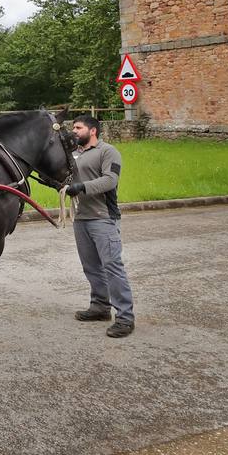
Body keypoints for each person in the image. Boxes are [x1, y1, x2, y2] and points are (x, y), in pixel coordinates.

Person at [63, 114, 135, 339]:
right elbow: (67, 180)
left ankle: (125, 318)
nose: (74, 131)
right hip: (81, 218)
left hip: (103, 217)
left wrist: (81, 187)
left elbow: (110, 180)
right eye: (73, 127)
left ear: (92, 130)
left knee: (112, 267)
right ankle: (100, 307)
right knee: (91, 267)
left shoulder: (108, 151)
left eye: (78, 127)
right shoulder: (74, 154)